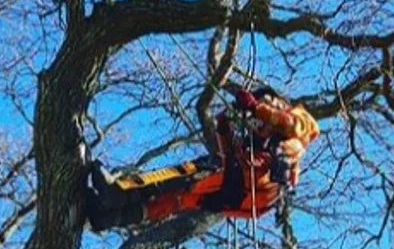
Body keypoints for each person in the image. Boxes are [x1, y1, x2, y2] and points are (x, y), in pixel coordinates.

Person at [85, 87, 319, 232]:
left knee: (196, 170)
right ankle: (107, 218)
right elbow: (229, 156)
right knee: (179, 199)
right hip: (240, 195)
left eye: (267, 102)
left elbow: (290, 124)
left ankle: (118, 192)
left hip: (263, 184)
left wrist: (256, 107)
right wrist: (224, 129)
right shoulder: (254, 142)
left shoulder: (299, 120)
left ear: (278, 101)